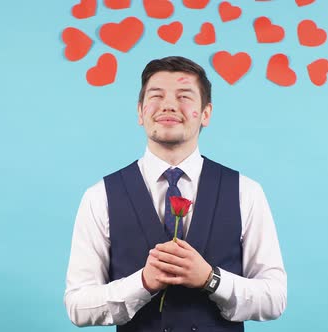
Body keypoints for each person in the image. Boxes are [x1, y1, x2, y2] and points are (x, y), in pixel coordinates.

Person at [64, 56, 287, 332]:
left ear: (206, 113)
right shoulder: (99, 197)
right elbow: (77, 305)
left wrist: (211, 279)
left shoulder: (247, 191)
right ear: (140, 111)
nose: (169, 105)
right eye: (156, 96)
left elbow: (275, 298)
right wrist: (142, 283)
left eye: (184, 96)